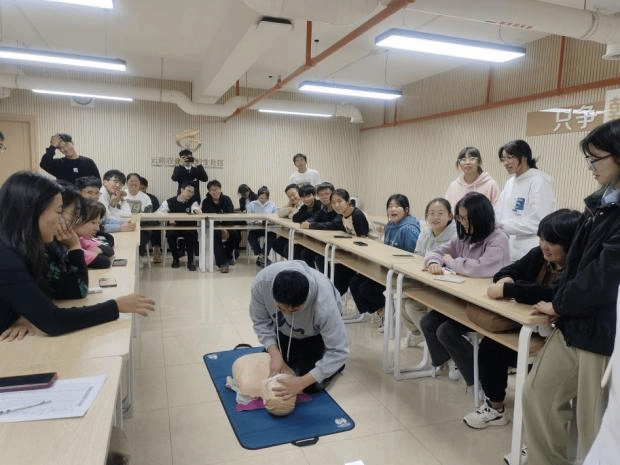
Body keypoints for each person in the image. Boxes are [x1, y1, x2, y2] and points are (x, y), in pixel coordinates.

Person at [522, 119, 620, 465]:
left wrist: (559, 303)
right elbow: (576, 263)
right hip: (572, 321)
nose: (591, 166)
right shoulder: (599, 203)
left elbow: (604, 277)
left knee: (596, 425)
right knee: (538, 395)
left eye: (596, 158)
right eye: (588, 159)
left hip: (603, 331)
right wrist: (559, 303)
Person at [462, 209, 581, 430]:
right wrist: (506, 280)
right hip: (532, 329)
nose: (544, 246)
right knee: (490, 348)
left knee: (541, 382)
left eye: (552, 242)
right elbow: (508, 271)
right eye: (542, 239)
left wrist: (510, 289)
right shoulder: (539, 256)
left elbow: (553, 294)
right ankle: (495, 408)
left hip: (564, 339)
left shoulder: (579, 267)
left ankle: (545, 432)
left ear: (570, 242)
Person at [0, 171, 154, 340]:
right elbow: (53, 321)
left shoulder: (33, 248)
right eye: (59, 212)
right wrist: (115, 306)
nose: (64, 221)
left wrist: (25, 313)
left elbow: (61, 293)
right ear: (32, 212)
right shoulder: (7, 258)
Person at [420, 192, 510, 388]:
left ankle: (480, 380)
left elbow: (481, 269)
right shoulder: (465, 235)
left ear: (480, 217)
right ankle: (454, 361)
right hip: (463, 298)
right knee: (427, 322)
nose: (462, 222)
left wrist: (452, 262)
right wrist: (434, 262)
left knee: (446, 331)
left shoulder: (498, 238)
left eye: (466, 218)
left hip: (486, 304)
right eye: (460, 218)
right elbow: (436, 252)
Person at [249, 261, 349, 396]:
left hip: (315, 333)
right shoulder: (262, 284)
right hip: (284, 329)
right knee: (270, 368)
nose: (287, 314)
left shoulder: (325, 305)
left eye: (294, 311)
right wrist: (275, 353)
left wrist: (301, 382)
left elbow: (339, 350)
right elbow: (260, 321)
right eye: (281, 309)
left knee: (310, 387)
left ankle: (335, 365)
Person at [349, 194, 420, 325]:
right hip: (388, 267)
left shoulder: (409, 229)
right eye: (390, 207)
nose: (393, 210)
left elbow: (414, 258)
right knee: (354, 282)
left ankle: (387, 313)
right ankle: (381, 311)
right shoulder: (390, 225)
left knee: (366, 288)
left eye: (397, 206)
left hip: (402, 273)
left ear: (406, 210)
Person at [401, 198, 457, 347]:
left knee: (411, 306)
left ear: (450, 216)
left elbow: (453, 264)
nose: (435, 217)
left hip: (446, 286)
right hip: (425, 281)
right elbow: (417, 256)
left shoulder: (456, 236)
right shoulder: (425, 233)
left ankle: (437, 343)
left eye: (440, 213)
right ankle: (420, 334)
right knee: (399, 299)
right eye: (431, 213)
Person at [495, 140, 556, 261]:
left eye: (510, 158)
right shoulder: (510, 182)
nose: (505, 163)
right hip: (510, 249)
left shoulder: (538, 181)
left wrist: (502, 226)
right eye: (503, 159)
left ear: (524, 157)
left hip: (529, 250)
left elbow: (539, 222)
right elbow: (499, 212)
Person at [329, 188, 377, 296]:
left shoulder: (357, 214)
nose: (336, 205)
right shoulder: (343, 215)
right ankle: (335, 297)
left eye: (339, 201)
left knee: (341, 273)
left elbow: (363, 240)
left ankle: (336, 297)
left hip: (370, 254)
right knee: (335, 267)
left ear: (347, 202)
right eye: (333, 203)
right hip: (356, 252)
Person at [157, 182, 201, 271]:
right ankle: (175, 259)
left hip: (188, 227)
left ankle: (190, 261)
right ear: (181, 190)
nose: (190, 194)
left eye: (192, 192)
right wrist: (168, 218)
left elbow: (196, 209)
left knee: (191, 235)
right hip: (174, 227)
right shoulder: (170, 201)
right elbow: (159, 213)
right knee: (170, 234)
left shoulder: (193, 201)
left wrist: (196, 211)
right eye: (188, 191)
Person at [201, 180, 241, 273]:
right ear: (209, 191)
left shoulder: (227, 199)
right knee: (215, 235)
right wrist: (220, 228)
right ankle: (222, 263)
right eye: (212, 190)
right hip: (213, 227)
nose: (215, 192)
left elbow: (230, 214)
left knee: (236, 235)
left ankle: (227, 256)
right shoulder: (206, 202)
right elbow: (208, 218)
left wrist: (225, 228)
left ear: (220, 189)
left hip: (227, 225)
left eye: (217, 189)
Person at [73, 199, 114, 269]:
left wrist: (97, 250)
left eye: (98, 223)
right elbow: (104, 261)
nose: (97, 228)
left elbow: (108, 249)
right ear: (76, 220)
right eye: (93, 223)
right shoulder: (68, 243)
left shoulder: (81, 239)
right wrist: (94, 253)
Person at [246, 186, 277, 267]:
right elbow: (248, 219)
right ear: (258, 196)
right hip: (256, 228)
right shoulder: (252, 204)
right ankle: (261, 255)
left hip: (268, 228)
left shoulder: (272, 205)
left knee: (272, 236)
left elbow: (276, 218)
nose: (263, 200)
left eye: (265, 198)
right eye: (261, 198)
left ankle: (262, 256)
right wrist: (257, 221)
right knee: (251, 237)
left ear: (268, 197)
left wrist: (270, 222)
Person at [125, 173, 153, 257]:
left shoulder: (145, 197)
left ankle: (138, 258)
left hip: (141, 226)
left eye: (136, 181)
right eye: (131, 181)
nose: (134, 183)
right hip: (124, 225)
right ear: (127, 183)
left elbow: (148, 214)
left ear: (139, 183)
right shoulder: (121, 195)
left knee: (140, 240)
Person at [139, 176, 162, 263]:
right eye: (139, 188)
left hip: (150, 221)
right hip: (137, 222)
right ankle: (139, 253)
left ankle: (156, 250)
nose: (141, 191)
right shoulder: (131, 197)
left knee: (156, 227)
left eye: (143, 188)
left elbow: (157, 213)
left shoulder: (152, 198)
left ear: (146, 187)